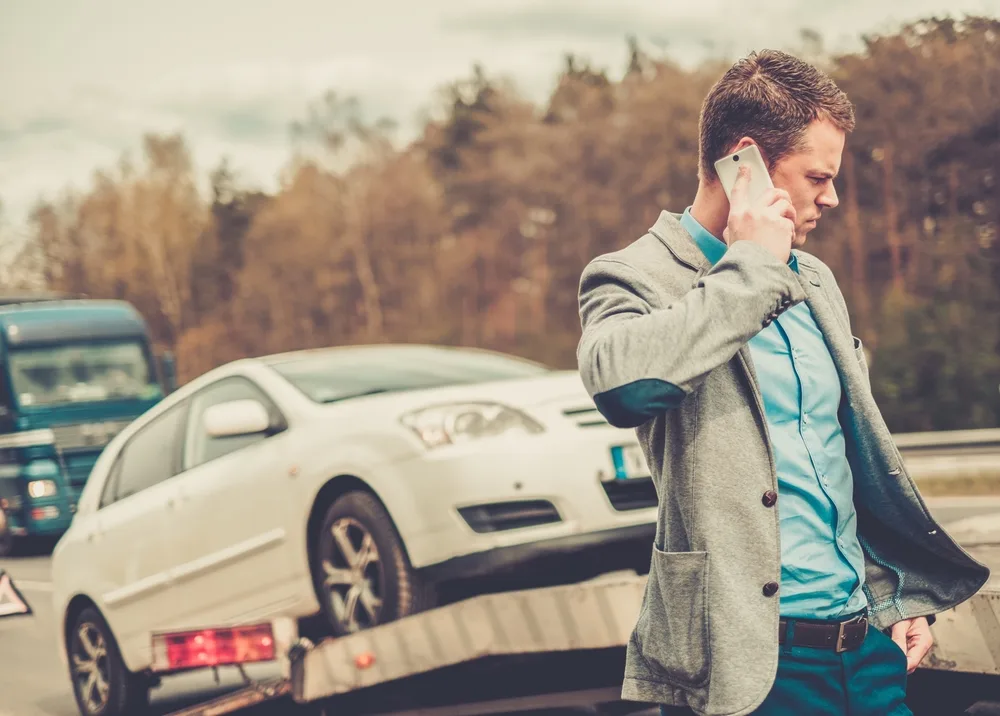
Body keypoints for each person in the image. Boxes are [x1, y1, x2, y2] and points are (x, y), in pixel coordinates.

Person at [575, 49, 990, 716]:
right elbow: (623, 389)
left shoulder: (816, 279)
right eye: (818, 176)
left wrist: (893, 595)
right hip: (752, 668)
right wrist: (750, 266)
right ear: (746, 165)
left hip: (868, 652)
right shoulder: (632, 276)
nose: (831, 197)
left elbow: (837, 462)